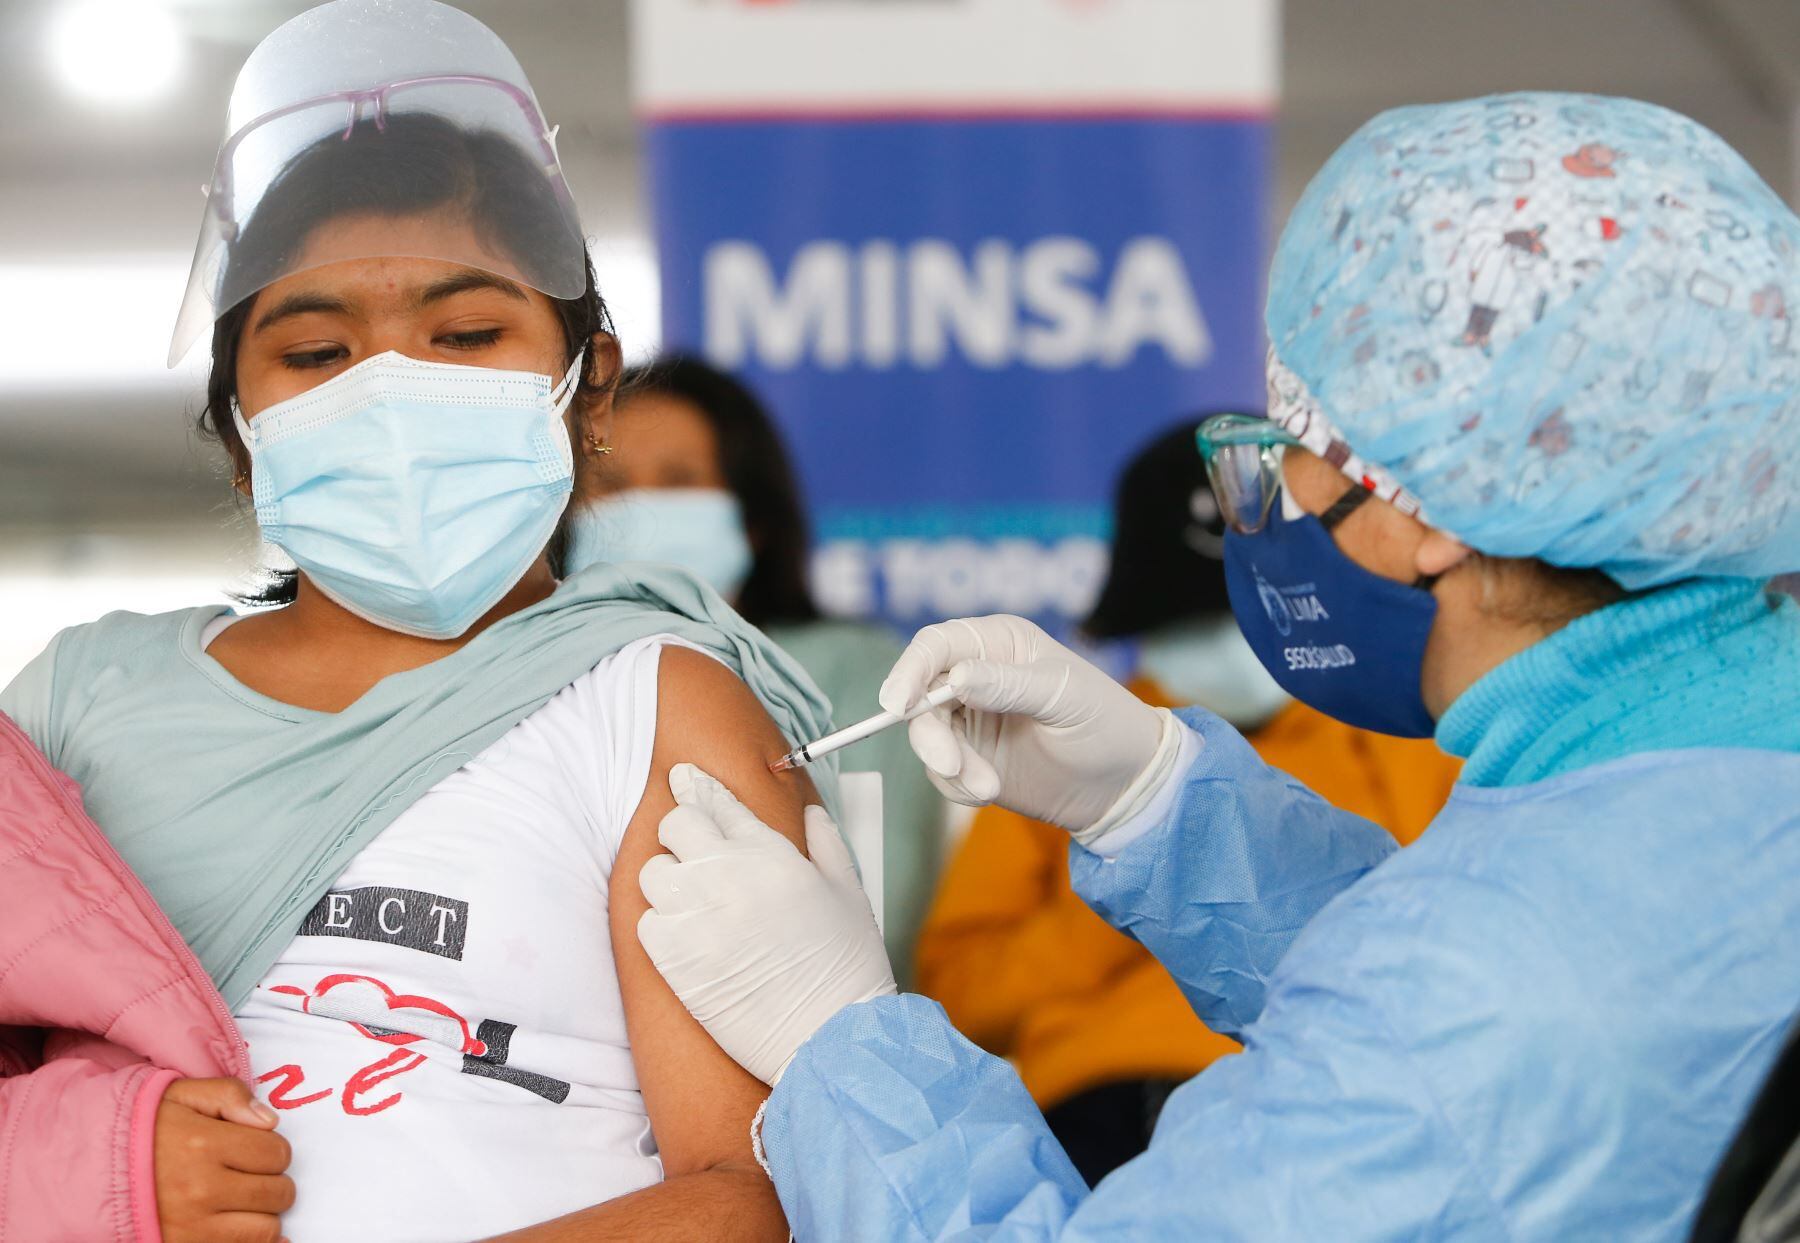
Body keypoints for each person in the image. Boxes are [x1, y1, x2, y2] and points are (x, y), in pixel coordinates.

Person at [631, 92, 1800, 1240]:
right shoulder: (1710, 776)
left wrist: (844, 1043)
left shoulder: (1484, 984)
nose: (1277, 494)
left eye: (1291, 440)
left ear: (1435, 504)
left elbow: (1443, 1031)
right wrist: (1157, 803)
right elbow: (1440, 1001)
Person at [0, 2, 825, 1239]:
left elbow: (757, 1201)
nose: (391, 387)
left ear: (586, 387)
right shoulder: (78, 704)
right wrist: (86, 1161)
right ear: (242, 434)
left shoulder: (657, 703)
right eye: (318, 352)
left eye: (468, 333)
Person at [913, 418, 1460, 1185]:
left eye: (1247, 612)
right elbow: (960, 995)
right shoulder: (1072, 742)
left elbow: (1445, 962)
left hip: (1323, 1096)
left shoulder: (1398, 728)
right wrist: (1118, 877)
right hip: (1097, 1106)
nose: (1228, 634)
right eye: (1191, 617)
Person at [564, 355, 944, 979]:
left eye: (681, 479)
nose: (643, 507)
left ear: (756, 519)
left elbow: (881, 901)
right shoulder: (527, 678)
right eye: (611, 483)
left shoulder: (856, 668)